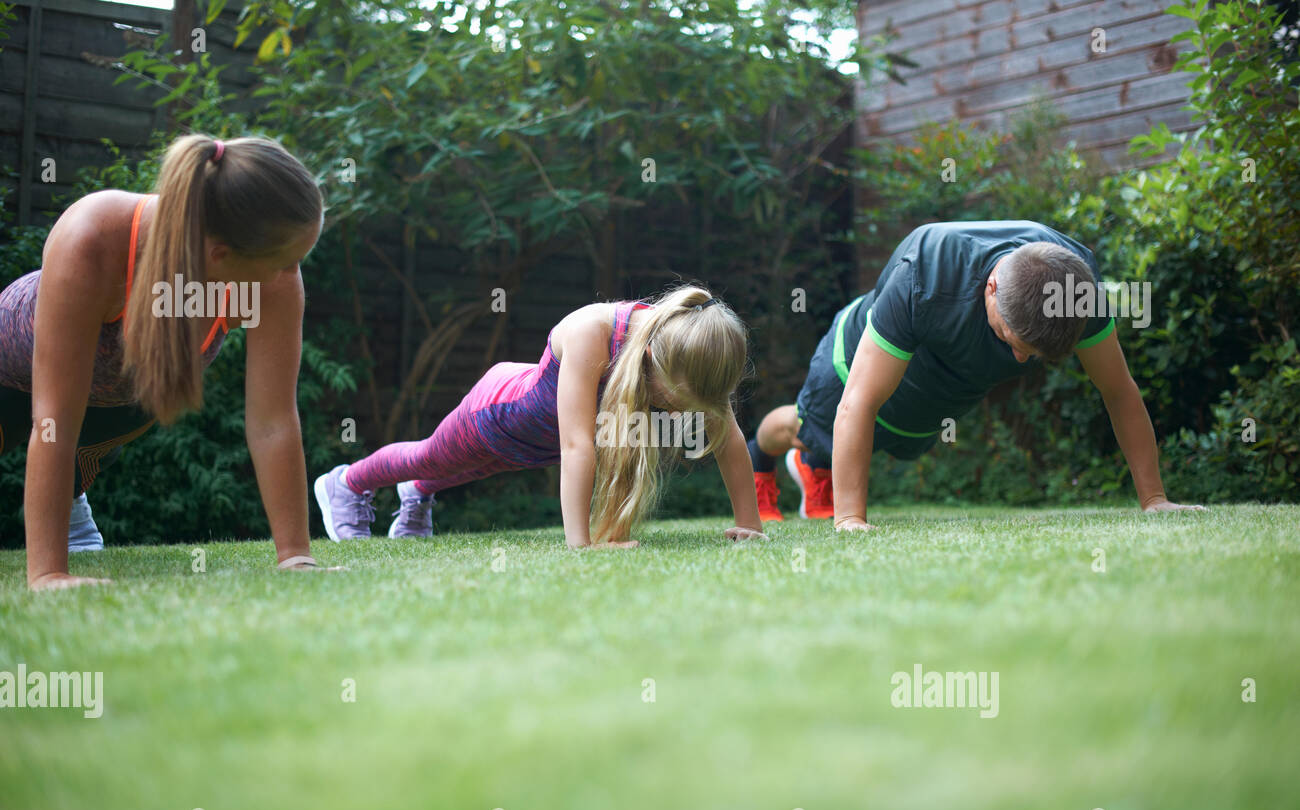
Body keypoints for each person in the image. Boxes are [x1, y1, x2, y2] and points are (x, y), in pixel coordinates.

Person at [0, 134, 332, 589]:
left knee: (97, 430)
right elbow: (54, 418)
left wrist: (296, 558)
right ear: (220, 255)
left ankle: (72, 500)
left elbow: (272, 421)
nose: (291, 274)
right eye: (287, 261)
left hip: (114, 401)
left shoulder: (269, 277)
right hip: (10, 378)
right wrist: (48, 574)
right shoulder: (92, 238)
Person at [747, 220, 1204, 526]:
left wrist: (1154, 500)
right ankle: (762, 461)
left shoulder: (1073, 287)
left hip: (933, 398)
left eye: (1033, 355)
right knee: (807, 429)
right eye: (1012, 342)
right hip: (853, 366)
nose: (1020, 361)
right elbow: (859, 402)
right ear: (991, 288)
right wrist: (851, 520)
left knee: (900, 440)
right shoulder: (925, 271)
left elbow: (1118, 389)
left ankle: (815, 467)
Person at [315, 286, 768, 547]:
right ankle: (346, 483)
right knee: (431, 457)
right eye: (675, 400)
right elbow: (577, 445)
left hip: (538, 447)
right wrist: (580, 546)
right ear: (650, 359)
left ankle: (417, 494)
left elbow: (727, 437)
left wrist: (750, 526)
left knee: (469, 471)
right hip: (498, 415)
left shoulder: (693, 356)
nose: (679, 414)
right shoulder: (597, 331)